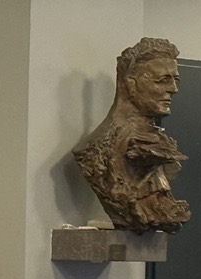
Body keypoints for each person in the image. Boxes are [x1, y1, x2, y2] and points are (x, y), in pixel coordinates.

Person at [73, 37, 189, 233]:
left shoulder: (161, 143)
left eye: (175, 80)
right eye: (162, 80)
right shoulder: (99, 147)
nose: (173, 89)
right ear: (131, 84)